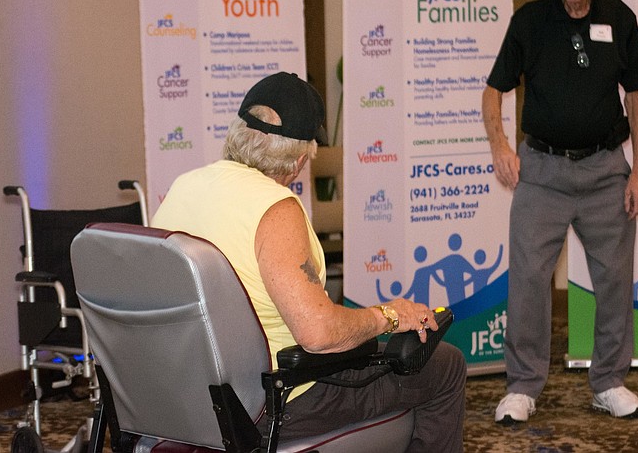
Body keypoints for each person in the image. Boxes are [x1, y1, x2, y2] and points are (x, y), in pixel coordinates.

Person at [152, 72, 466, 452]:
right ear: (300, 160)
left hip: (185, 399)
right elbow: (318, 335)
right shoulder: (275, 209)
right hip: (271, 404)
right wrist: (391, 315)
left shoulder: (184, 186)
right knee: (444, 365)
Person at [482, 0, 638, 423]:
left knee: (615, 280)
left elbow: (635, 96)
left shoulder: (619, 18)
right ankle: (523, 385)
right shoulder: (531, 20)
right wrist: (500, 145)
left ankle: (610, 381)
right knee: (529, 280)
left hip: (604, 170)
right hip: (543, 172)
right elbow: (494, 90)